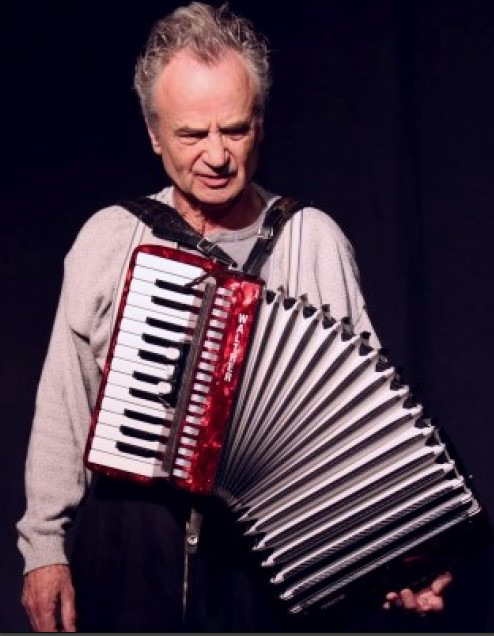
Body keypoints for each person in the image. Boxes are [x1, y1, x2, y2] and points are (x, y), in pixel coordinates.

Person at [17, 2, 452, 632]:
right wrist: (44, 549)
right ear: (154, 134)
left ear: (260, 125)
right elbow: (65, 403)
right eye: (192, 134)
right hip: (129, 547)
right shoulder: (109, 238)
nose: (217, 155)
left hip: (272, 555)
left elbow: (367, 426)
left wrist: (402, 554)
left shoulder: (311, 239)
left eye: (236, 129)